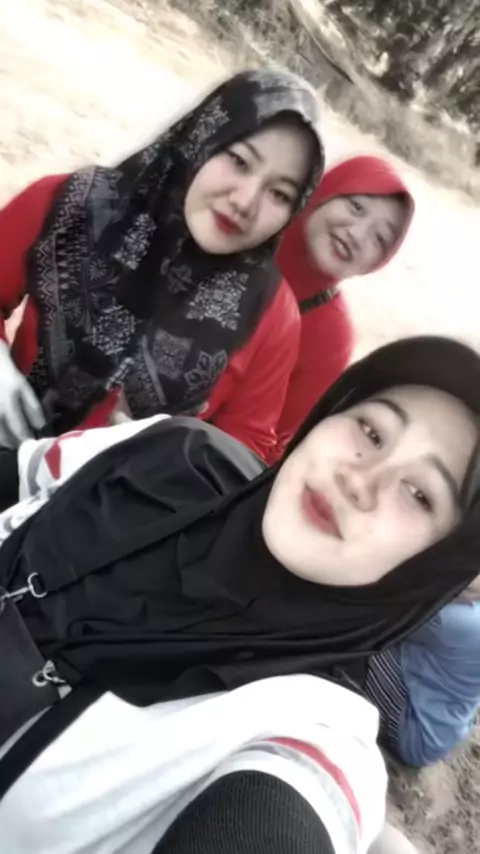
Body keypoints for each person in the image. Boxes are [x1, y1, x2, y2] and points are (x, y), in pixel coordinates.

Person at [1, 334, 480, 851]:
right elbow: (15, 478)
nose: (359, 480)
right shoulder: (173, 454)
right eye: (371, 430)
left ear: (436, 567)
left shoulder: (312, 732)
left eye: (420, 494)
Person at [0, 69, 323, 453]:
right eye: (239, 161)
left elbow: (244, 448)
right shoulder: (77, 205)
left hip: (118, 493)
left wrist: (171, 458)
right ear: (202, 139)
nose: (245, 202)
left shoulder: (269, 312)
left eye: (280, 194)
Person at [259, 155, 414, 462]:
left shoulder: (331, 337)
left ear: (377, 263)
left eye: (380, 239)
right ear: (326, 190)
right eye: (356, 207)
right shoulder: (248, 225)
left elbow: (271, 449)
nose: (357, 234)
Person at [366, 594, 480, 767]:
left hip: (414, 730)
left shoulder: (455, 616)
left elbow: (382, 615)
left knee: (355, 637)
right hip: (448, 724)